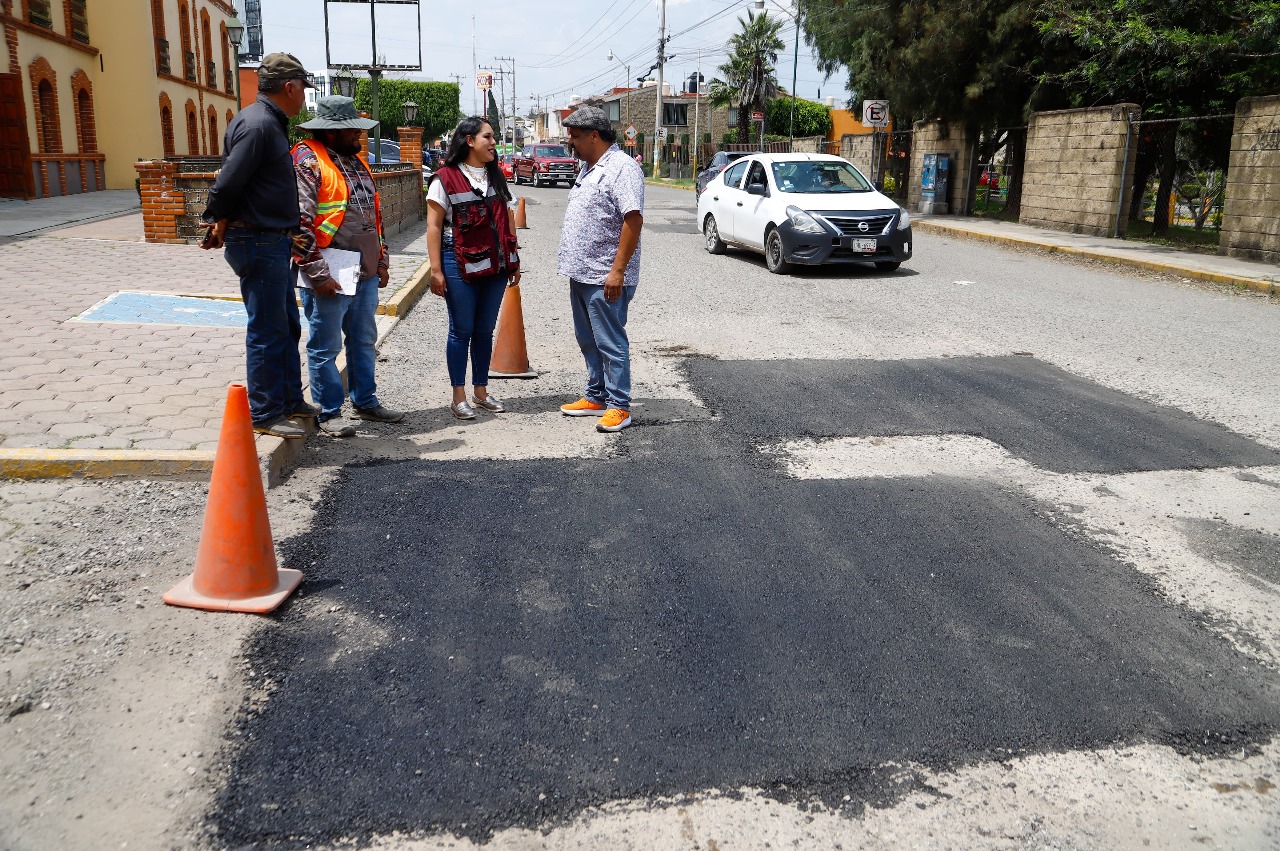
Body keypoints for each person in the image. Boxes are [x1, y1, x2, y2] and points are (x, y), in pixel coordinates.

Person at [200, 53, 314, 439]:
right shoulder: (259, 124)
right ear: (289, 87)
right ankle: (265, 412)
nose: (304, 99)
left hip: (270, 239)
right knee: (267, 328)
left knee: (286, 324)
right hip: (258, 239)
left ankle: (287, 399)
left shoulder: (265, 121)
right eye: (302, 90)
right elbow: (229, 181)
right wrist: (214, 218)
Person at [291, 96, 405, 435]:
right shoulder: (308, 159)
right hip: (330, 267)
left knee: (363, 337)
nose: (360, 135)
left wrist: (382, 259)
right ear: (331, 132)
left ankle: (365, 402)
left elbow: (374, 215)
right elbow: (299, 224)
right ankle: (329, 412)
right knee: (325, 345)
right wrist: (316, 274)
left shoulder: (357, 161)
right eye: (353, 129)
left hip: (364, 267)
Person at [425, 116, 521, 420]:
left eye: (494, 138)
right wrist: (436, 270)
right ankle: (458, 396)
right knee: (461, 329)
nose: (494, 143)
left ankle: (481, 392)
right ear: (469, 140)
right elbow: (433, 226)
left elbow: (507, 218)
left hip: (495, 264)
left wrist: (514, 258)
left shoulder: (495, 176)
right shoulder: (445, 178)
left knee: (484, 331)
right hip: (458, 261)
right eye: (488, 137)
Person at [557, 106, 645, 433]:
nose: (572, 143)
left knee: (610, 342)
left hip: (604, 275)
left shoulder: (622, 168)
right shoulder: (589, 166)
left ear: (594, 136)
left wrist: (618, 271)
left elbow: (632, 219)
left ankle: (619, 405)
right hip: (581, 272)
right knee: (588, 339)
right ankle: (596, 396)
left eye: (576, 137)